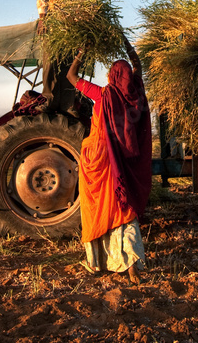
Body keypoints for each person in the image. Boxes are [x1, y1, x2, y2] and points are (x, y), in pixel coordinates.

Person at [67, 39, 152, 285]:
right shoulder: (136, 92)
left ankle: (99, 261)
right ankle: (132, 263)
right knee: (123, 206)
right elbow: (137, 66)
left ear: (114, 76)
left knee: (98, 207)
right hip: (122, 161)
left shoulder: (103, 94)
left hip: (100, 160)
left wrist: (83, 49)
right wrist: (125, 43)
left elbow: (72, 76)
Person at [37, 0, 88, 116]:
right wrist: (43, 18)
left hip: (72, 23)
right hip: (54, 19)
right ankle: (49, 100)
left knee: (69, 63)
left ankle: (67, 103)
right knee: (51, 60)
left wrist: (83, 21)